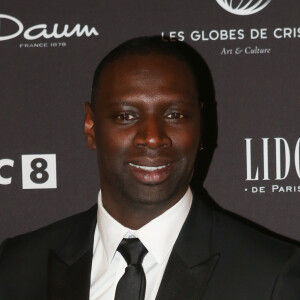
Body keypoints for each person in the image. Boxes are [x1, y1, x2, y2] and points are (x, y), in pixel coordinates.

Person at [0, 36, 299, 300]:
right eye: (126, 116)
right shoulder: (17, 268)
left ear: (201, 125)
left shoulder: (272, 275)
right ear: (91, 127)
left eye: (176, 114)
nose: (153, 137)